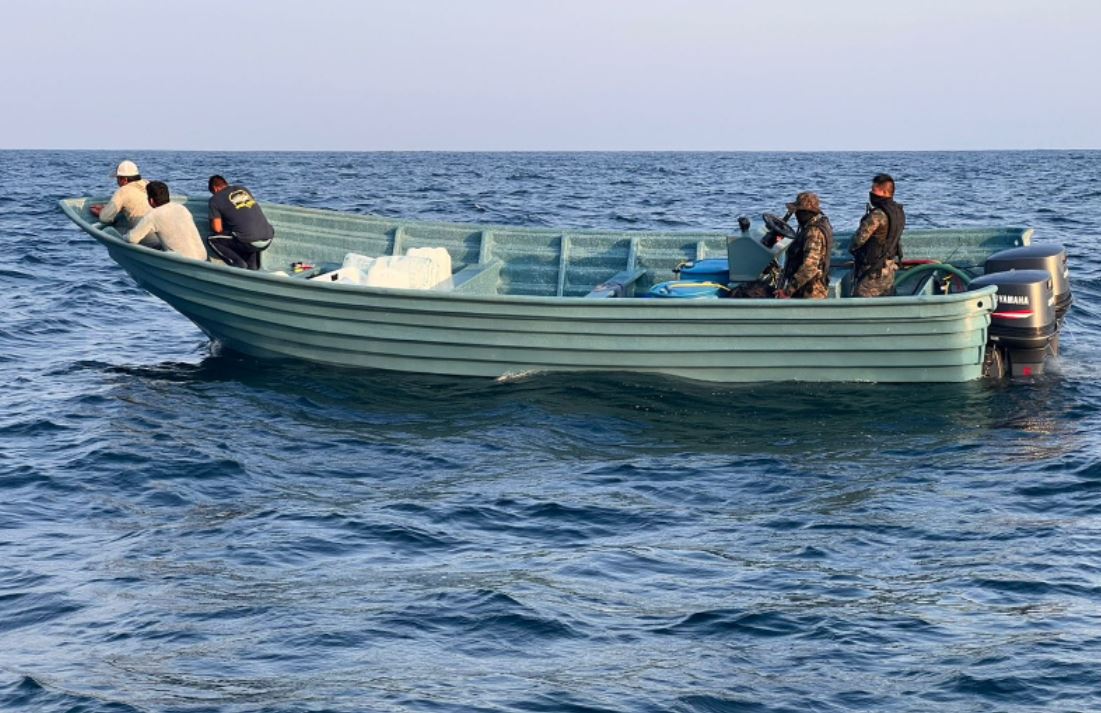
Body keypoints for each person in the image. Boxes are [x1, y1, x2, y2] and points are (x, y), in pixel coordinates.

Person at [850, 173, 906, 297]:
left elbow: (859, 239)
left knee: (861, 302)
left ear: (885, 192)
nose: (871, 194)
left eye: (874, 190)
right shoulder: (899, 212)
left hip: (874, 271)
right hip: (890, 268)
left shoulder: (878, 214)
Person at [206, 175, 274, 270]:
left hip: (249, 241)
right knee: (246, 232)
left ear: (215, 188)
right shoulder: (243, 189)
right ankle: (252, 267)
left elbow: (217, 228)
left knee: (212, 239)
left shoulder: (215, 199)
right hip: (268, 237)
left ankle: (238, 264)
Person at [126, 181, 207, 261]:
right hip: (202, 256)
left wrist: (123, 236)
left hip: (183, 261)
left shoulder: (153, 215)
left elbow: (132, 238)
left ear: (151, 200)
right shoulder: (182, 208)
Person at [774, 192, 834, 299]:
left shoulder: (813, 232)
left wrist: (787, 291)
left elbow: (809, 267)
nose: (796, 215)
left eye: (798, 211)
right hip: (808, 289)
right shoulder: (815, 226)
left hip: (810, 292)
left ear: (803, 212)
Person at [89, 160, 151, 229]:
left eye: (118, 179)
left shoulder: (123, 191)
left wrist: (101, 212)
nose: (117, 182)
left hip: (143, 234)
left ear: (125, 180)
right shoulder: (148, 184)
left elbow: (105, 218)